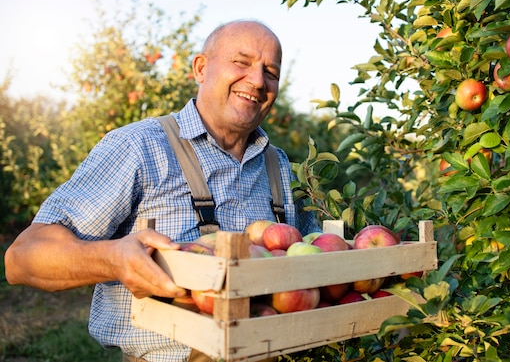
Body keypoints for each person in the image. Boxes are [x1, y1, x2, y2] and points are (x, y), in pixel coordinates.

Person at [4, 19, 320, 362]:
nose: (258, 81)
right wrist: (112, 258)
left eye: (270, 71)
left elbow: (318, 262)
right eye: (241, 62)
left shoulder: (279, 166)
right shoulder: (139, 147)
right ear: (201, 68)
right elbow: (21, 258)